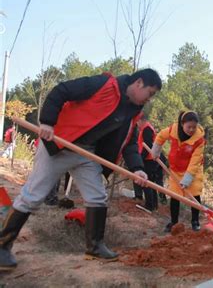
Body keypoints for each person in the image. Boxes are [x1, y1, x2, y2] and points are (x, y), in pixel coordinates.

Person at [0, 68, 161, 271]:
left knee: (97, 196)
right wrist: (48, 123)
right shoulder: (103, 85)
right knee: (33, 195)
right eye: (151, 93)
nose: (149, 99)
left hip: (86, 154)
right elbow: (61, 90)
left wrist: (137, 168)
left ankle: (95, 246)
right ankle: (3, 246)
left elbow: (129, 144)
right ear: (139, 83)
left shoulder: (132, 112)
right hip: (58, 145)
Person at [151, 111, 205, 232]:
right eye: (188, 127)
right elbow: (160, 136)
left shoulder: (199, 140)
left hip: (193, 171)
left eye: (194, 127)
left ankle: (195, 221)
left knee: (194, 194)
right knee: (174, 195)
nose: (191, 130)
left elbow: (195, 161)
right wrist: (155, 151)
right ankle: (174, 222)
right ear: (182, 124)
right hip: (175, 168)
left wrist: (188, 178)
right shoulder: (173, 130)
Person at [136, 114, 168, 211]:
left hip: (149, 160)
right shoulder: (147, 128)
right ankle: (154, 205)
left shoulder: (147, 129)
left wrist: (140, 159)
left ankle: (150, 205)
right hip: (151, 159)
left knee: (147, 182)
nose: (137, 125)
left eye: (137, 122)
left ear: (141, 120)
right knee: (151, 182)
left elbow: (148, 146)